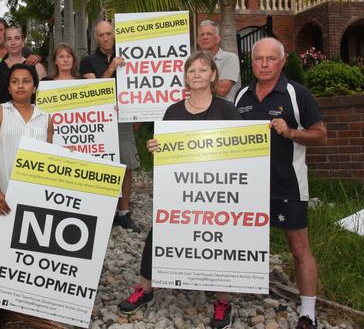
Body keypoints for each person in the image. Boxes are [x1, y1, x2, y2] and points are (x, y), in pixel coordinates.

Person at [117, 51, 242, 329]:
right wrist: (154, 146)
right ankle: (145, 289)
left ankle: (223, 300)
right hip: (179, 189)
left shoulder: (227, 110)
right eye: (191, 71)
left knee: (220, 239)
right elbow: (164, 149)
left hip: (217, 190)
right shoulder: (173, 111)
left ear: (213, 75)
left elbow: (240, 150)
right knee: (158, 232)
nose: (196, 74)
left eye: (202, 69)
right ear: (185, 77)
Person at [235, 37, 327, 329]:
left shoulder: (296, 94)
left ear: (282, 60)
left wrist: (290, 133)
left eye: (270, 59)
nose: (263, 64)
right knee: (242, 240)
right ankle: (237, 293)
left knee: (299, 247)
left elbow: (321, 134)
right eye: (258, 59)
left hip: (287, 184)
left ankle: (308, 312)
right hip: (248, 185)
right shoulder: (241, 96)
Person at [80, 20, 141, 232]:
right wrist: (112, 67)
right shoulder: (87, 61)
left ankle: (123, 213)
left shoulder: (129, 53)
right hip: (98, 119)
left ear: (114, 34)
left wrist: (138, 113)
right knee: (100, 164)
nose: (105, 38)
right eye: (101, 35)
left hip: (123, 117)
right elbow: (95, 92)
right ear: (95, 38)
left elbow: (141, 83)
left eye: (108, 34)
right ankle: (101, 211)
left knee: (126, 164)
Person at [0, 63, 53, 231]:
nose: (20, 85)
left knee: (34, 241)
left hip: (36, 194)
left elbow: (50, 158)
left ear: (34, 87)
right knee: (5, 244)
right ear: (8, 88)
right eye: (15, 81)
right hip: (5, 195)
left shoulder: (46, 118)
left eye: (26, 81)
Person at [0, 25, 47, 110]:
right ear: (5, 43)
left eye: (17, 38)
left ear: (23, 41)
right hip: (2, 121)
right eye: (9, 39)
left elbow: (45, 99)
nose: (13, 42)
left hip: (30, 121)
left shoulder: (37, 67)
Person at [0, 17, 42, 89]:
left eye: (0, 30)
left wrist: (38, 57)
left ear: (6, 31)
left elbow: (40, 66)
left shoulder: (24, 51)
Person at [197, 20, 241, 102]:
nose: (205, 37)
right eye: (201, 35)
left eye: (209, 34)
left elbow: (222, 89)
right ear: (198, 40)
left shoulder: (230, 58)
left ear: (218, 39)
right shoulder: (193, 61)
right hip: (199, 111)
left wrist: (196, 80)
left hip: (224, 112)